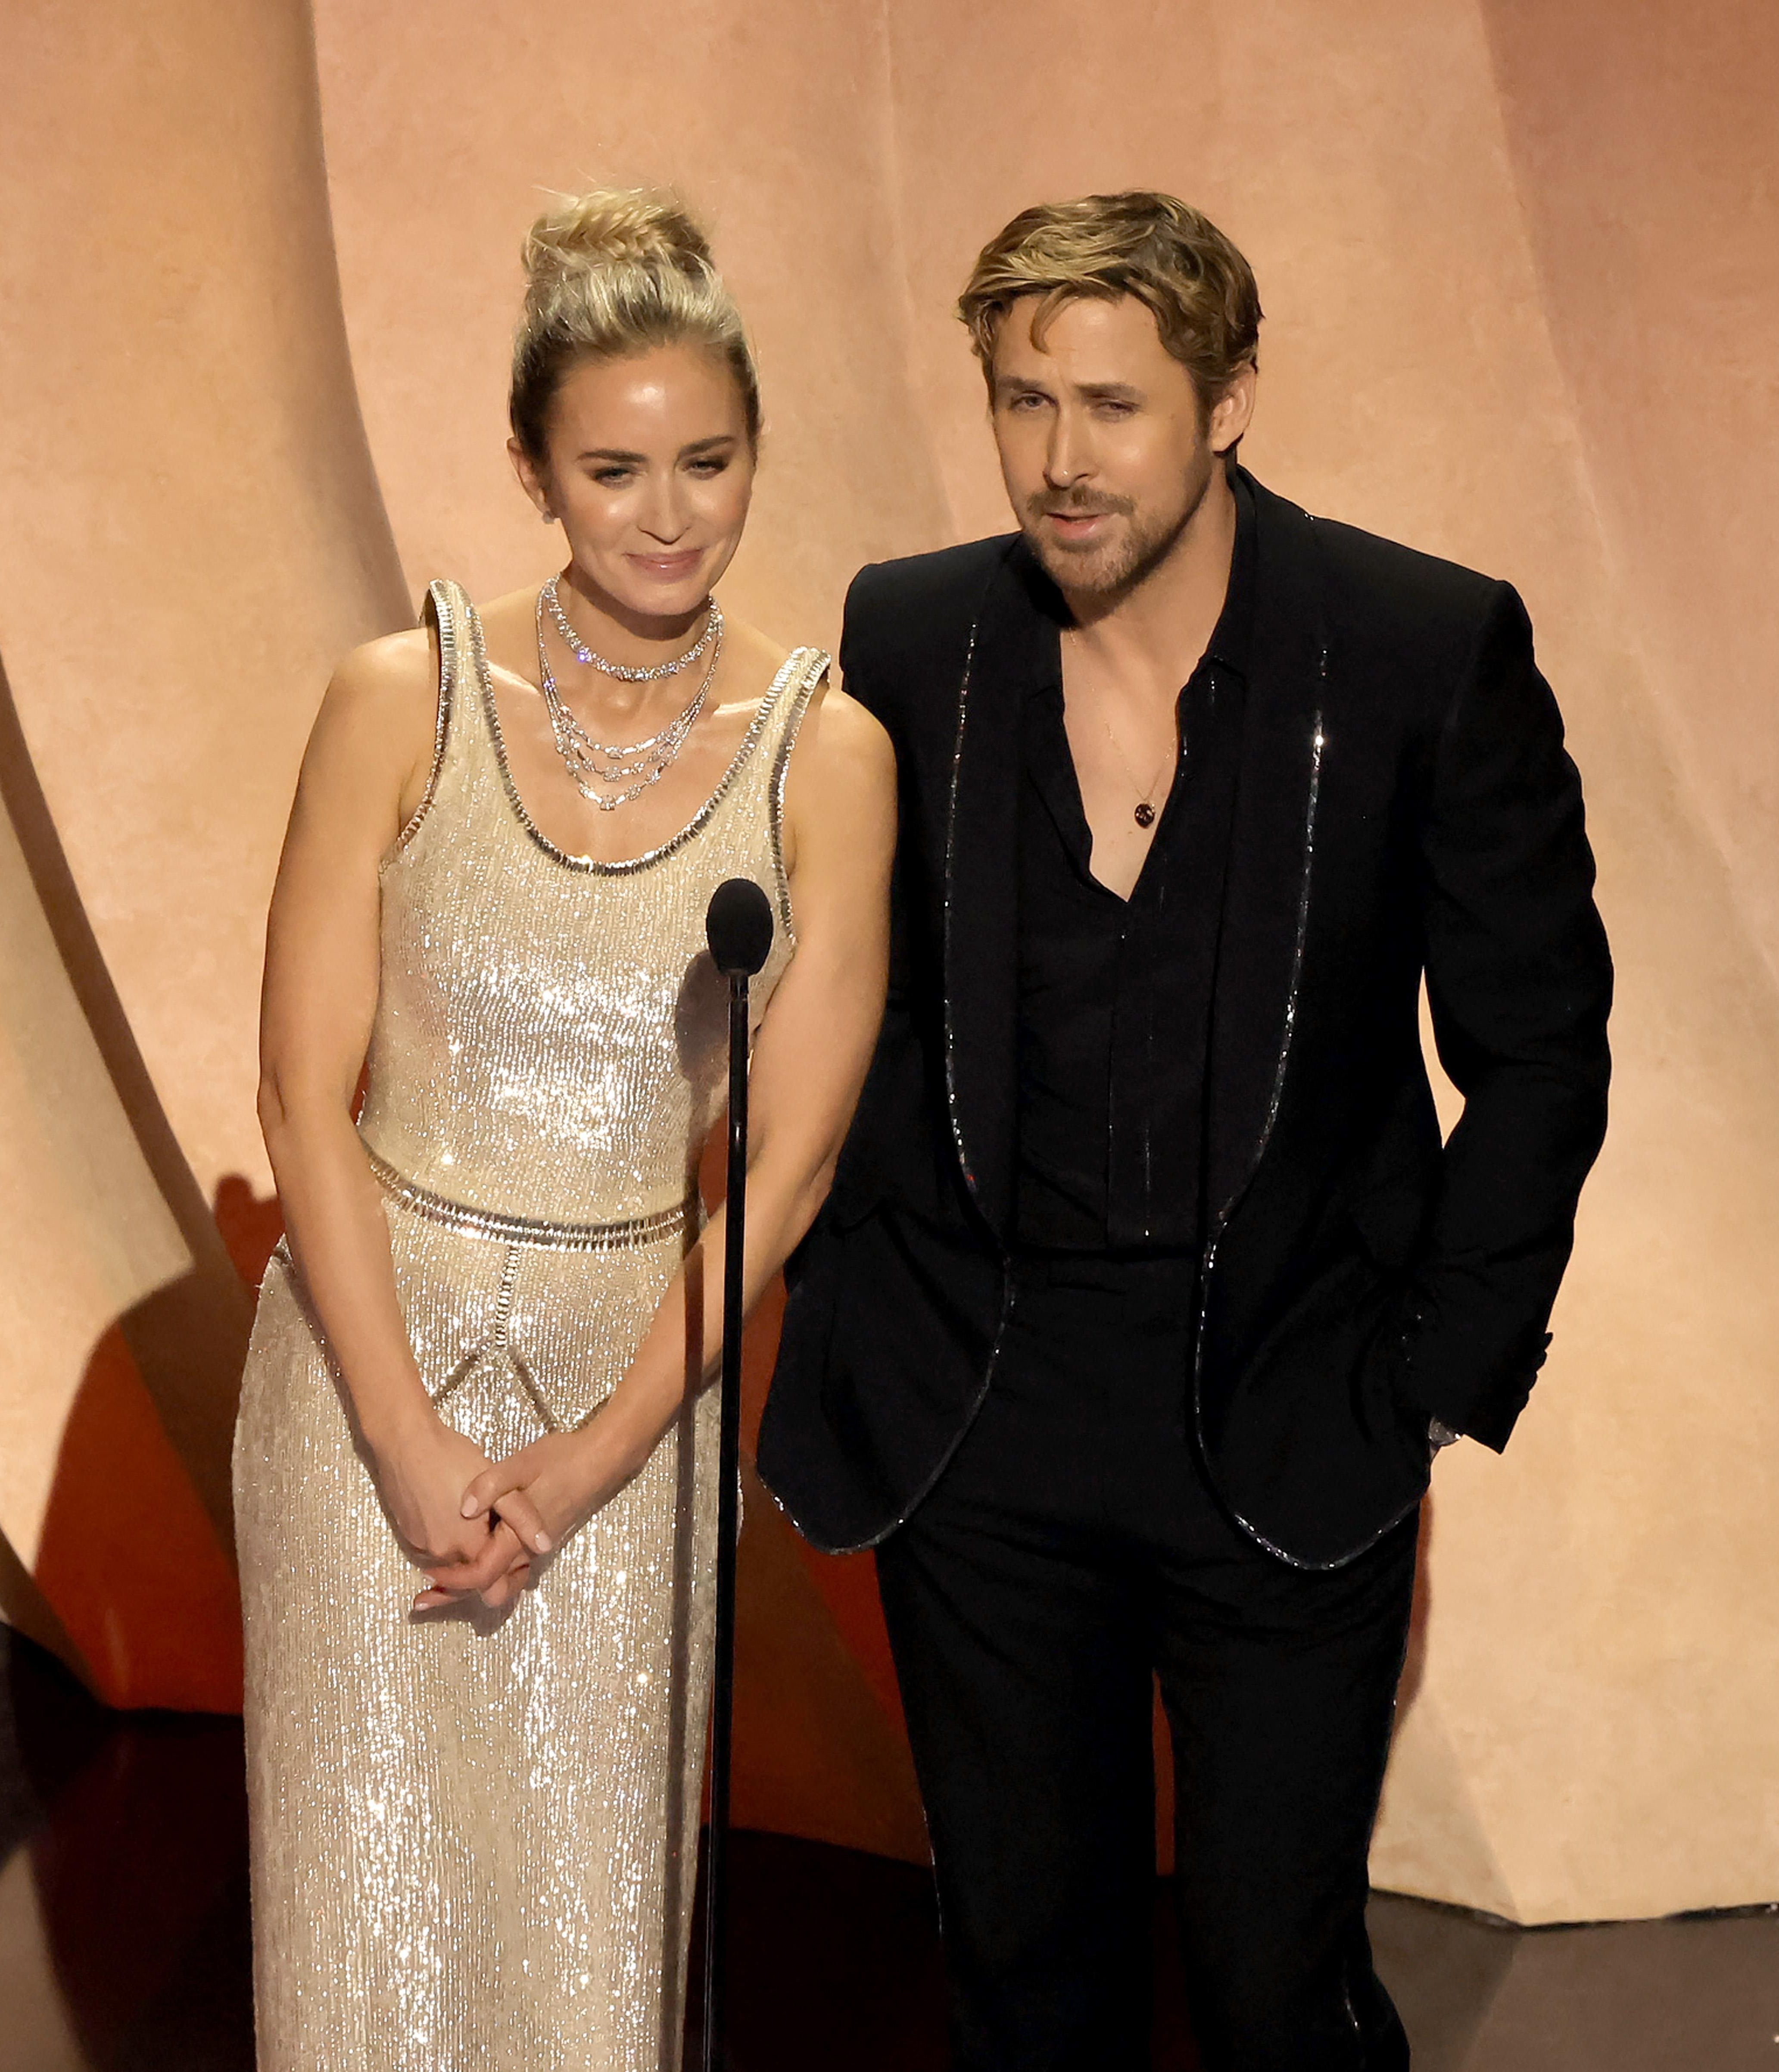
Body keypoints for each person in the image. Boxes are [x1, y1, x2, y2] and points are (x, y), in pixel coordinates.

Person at [760, 191, 1612, 2070]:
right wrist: (844, 1277)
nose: (1059, 462)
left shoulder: (1414, 643)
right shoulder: (910, 636)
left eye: (1111, 405)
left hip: (1296, 1393)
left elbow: (1541, 1044)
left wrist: (1434, 1370)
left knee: (1266, 1988)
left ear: (1228, 398)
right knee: (1021, 1979)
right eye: (1019, 401)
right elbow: (864, 999)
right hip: (979, 1414)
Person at [233, 187, 894, 2072]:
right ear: (531, 464)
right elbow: (302, 1094)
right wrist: (405, 1431)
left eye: (710, 459)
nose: (669, 512)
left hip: (635, 1401)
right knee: (360, 1942)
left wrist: (593, 1459)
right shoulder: (400, 697)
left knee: (585, 1959)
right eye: (615, 467)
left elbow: (793, 1162)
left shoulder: (825, 754)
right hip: (363, 1389)